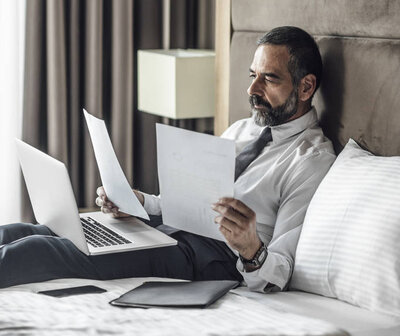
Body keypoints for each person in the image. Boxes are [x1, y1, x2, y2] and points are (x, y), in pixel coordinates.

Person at [0, 26, 335, 291]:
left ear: (306, 87)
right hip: (168, 229)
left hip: (211, 257)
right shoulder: (241, 130)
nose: (252, 89)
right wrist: (138, 202)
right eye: (253, 75)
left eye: (270, 78)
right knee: (28, 231)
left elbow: (282, 272)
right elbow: (190, 204)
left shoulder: (311, 160)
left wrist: (251, 248)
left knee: (45, 253)